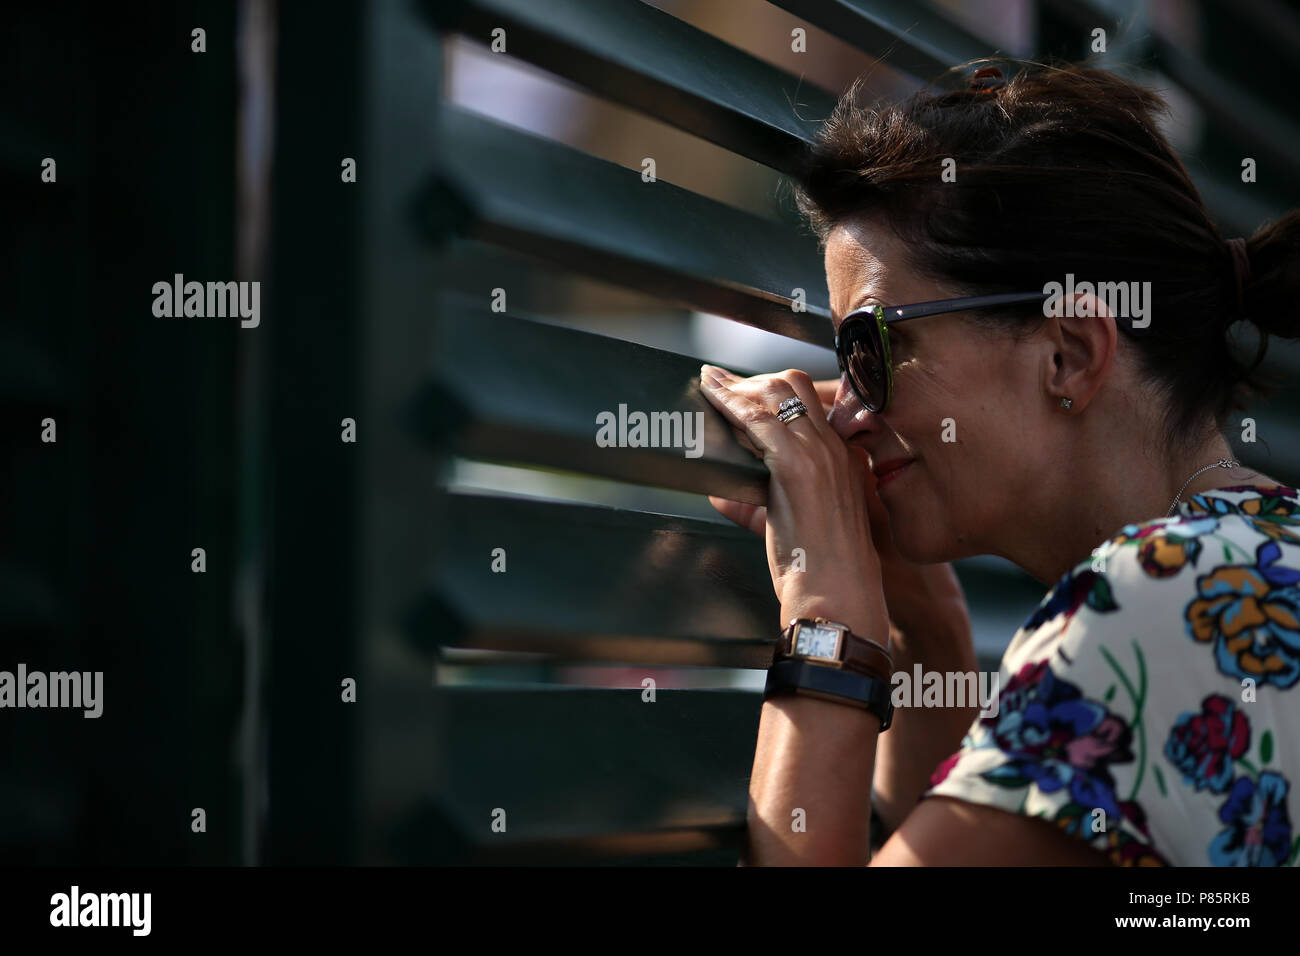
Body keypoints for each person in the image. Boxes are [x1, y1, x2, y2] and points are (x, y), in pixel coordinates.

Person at [698, 61, 1300, 866]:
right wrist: (927, 628)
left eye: (872, 346)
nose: (843, 409)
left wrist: (827, 620)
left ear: (1069, 355)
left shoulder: (1158, 599)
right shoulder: (1250, 564)